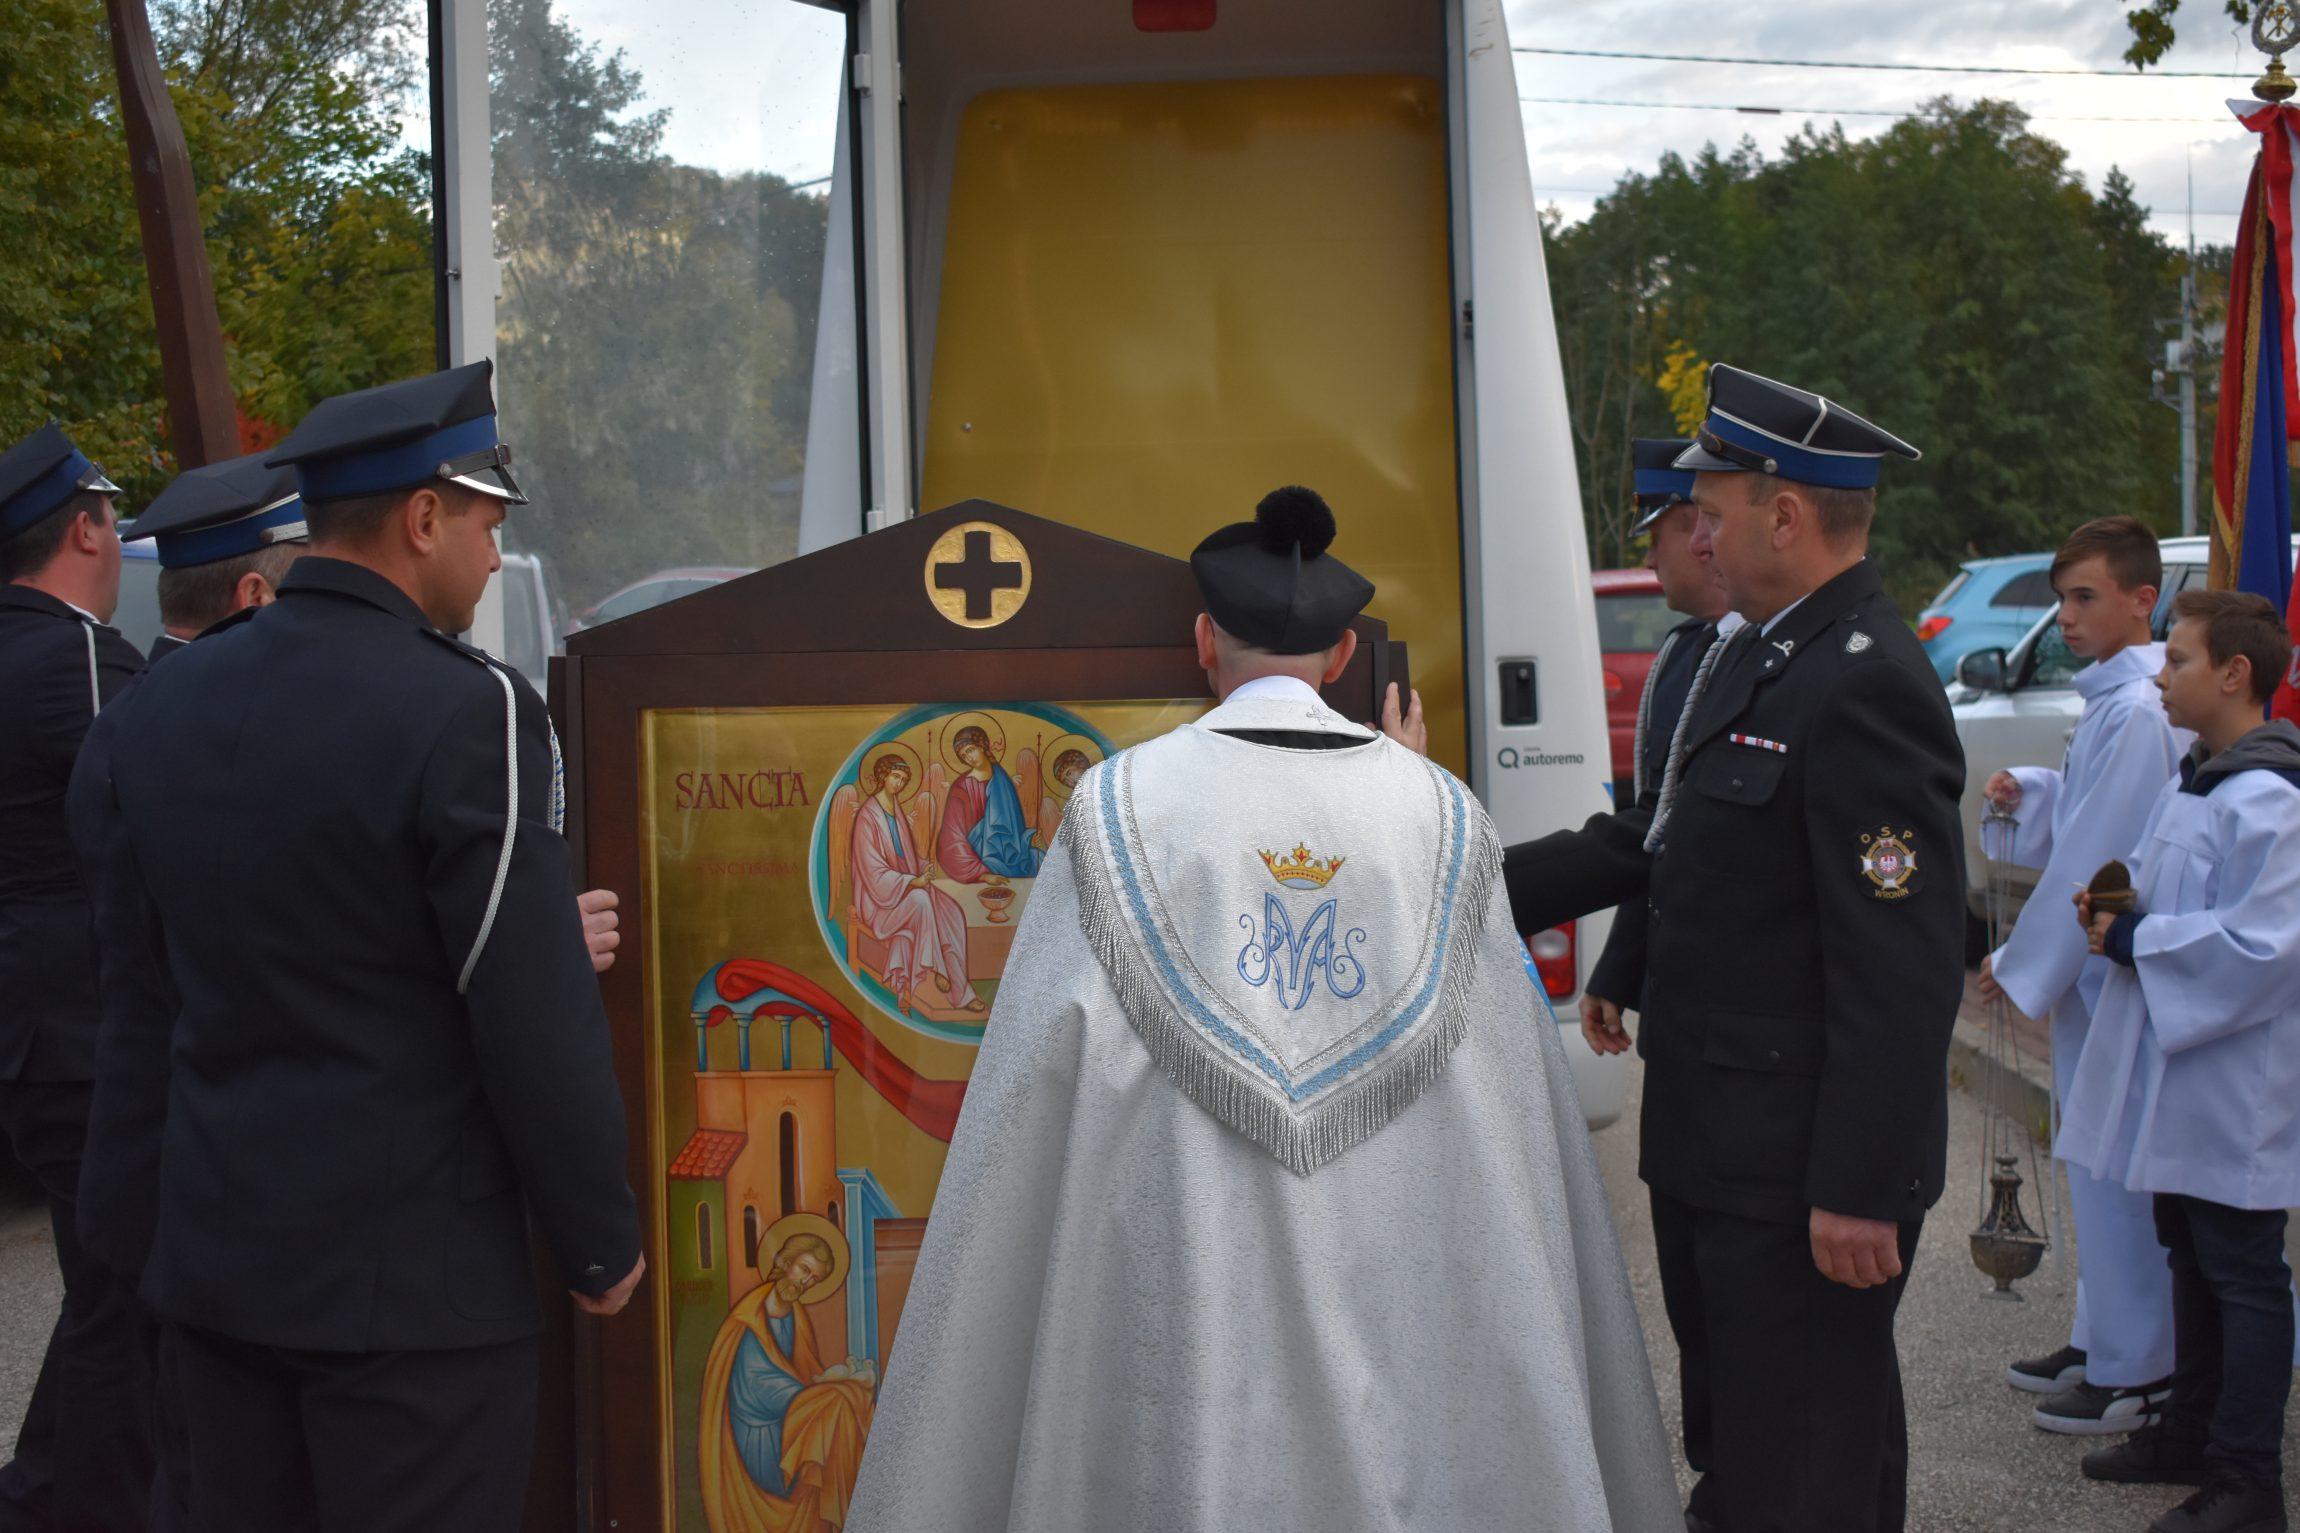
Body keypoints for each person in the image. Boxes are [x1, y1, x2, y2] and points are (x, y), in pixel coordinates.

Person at [842, 486, 1679, 1532]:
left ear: (1204, 640)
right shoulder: (1441, 817)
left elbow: (1031, 1080)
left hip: (1187, 1295)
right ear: (1338, 659)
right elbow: (1511, 1107)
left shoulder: (1111, 810)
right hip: (1402, 1294)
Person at [83, 362, 644, 1531]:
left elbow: (138, 1004)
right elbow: (525, 1009)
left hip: (211, 1262)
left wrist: (131, 1243)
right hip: (412, 1296)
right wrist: (597, 1239)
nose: (494, 557)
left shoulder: (153, 705)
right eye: (486, 523)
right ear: (423, 515)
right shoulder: (472, 710)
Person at [1645, 365, 1963, 1533]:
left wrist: (1859, 1188)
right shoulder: (1762, 652)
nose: (1698, 535)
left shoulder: (1861, 685)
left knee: (1796, 1471)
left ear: (1783, 514)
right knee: (1770, 1448)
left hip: (1795, 1180)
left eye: (1712, 511)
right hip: (1722, 1150)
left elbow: (1899, 966)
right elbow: (1692, 867)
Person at [2060, 589, 2300, 1533]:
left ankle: (2249, 1478)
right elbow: (2166, 898)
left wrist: (2139, 939)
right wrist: (2114, 909)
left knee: (2243, 1270)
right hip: (2180, 1076)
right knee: (2191, 1255)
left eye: (2180, 662)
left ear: (2235, 674)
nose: (2162, 678)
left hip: (2239, 1086)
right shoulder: (2198, 779)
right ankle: (2191, 1430)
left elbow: (2268, 948)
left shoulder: (2271, 801)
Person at [1976, 516, 2184, 1434]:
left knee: (2117, 1159)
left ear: (2144, 601)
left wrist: (2020, 966)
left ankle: (2140, 1366)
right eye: (2061, 597)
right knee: (2092, 1154)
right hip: (2101, 971)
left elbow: (2103, 849)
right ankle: (2104, 1335)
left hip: (2120, 971)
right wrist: (2035, 786)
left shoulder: (2140, 710)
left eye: (2084, 596)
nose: (2065, 616)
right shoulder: (2117, 701)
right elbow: (2088, 806)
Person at [0, 423, 153, 1532]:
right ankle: (55, 1501)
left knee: (107, 1281)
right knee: (121, 1289)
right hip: (81, 1026)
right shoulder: (82, 662)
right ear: (88, 526)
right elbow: (153, 830)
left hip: (29, 1026)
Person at [1509, 437, 1739, 1053]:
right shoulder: (1686, 653)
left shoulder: (1751, 656)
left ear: (1700, 531)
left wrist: (1482, 887)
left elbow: (1652, 833)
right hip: (1684, 1004)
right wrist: (1619, 966)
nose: (1652, 555)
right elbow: (1659, 833)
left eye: (1656, 533)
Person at [851, 751, 984, 1016]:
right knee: (922, 900)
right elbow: (872, 870)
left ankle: (961, 990)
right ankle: (939, 969)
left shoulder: (895, 809)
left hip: (903, 889)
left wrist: (923, 866)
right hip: (880, 901)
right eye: (895, 777)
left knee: (951, 912)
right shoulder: (868, 816)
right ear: (882, 777)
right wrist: (912, 881)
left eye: (903, 779)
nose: (899, 783)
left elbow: (904, 856)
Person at [937, 725, 1043, 883]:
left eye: (971, 750)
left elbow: (1014, 825)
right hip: (979, 856)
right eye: (964, 756)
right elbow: (952, 837)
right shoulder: (961, 788)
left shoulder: (1002, 778)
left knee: (1039, 858)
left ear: (982, 746)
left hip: (1009, 852)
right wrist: (982, 874)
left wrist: (1027, 840)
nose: (969, 758)